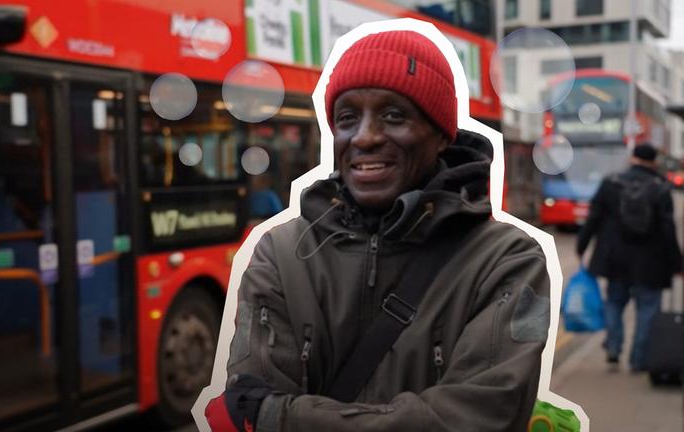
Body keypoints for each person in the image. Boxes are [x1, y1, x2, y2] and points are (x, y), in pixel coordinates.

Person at [205, 30, 550, 431]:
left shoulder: (508, 260)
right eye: (347, 118)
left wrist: (278, 416)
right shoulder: (279, 253)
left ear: (440, 134)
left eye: (393, 116)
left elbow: (486, 416)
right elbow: (250, 397)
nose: (365, 137)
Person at [577, 143, 682, 372]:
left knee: (614, 303)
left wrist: (581, 246)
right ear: (654, 162)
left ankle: (614, 350)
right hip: (651, 262)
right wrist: (677, 263)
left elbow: (593, 218)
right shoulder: (661, 188)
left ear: (633, 158)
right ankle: (639, 360)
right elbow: (668, 229)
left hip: (616, 259)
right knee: (648, 311)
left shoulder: (611, 183)